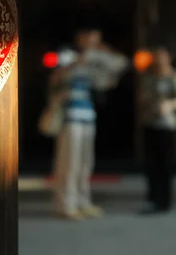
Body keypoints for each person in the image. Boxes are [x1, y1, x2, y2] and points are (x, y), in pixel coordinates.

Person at [51, 29, 128, 221]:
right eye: (90, 38)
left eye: (97, 39)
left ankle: (83, 202)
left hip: (87, 115)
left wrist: (104, 54)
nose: (93, 42)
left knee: (85, 163)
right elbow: (57, 77)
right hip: (69, 116)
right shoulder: (67, 55)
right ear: (80, 38)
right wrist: (80, 60)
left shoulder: (95, 60)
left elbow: (119, 67)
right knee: (69, 162)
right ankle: (66, 204)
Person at [138, 46, 176, 215]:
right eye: (156, 56)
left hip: (167, 125)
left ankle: (165, 200)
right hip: (150, 122)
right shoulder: (148, 76)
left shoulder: (175, 77)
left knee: (165, 163)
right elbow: (141, 97)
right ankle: (152, 197)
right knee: (151, 163)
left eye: (162, 56)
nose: (158, 59)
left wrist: (169, 105)